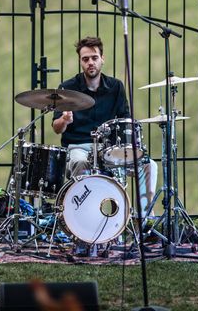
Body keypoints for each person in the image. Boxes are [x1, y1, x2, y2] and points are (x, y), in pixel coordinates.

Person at [52, 37, 158, 250]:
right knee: (80, 163)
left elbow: (125, 119)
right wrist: (64, 120)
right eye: (85, 59)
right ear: (80, 62)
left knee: (149, 165)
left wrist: (125, 146)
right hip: (79, 146)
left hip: (108, 148)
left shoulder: (116, 87)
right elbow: (56, 128)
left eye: (94, 58)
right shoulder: (67, 88)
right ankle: (83, 227)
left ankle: (144, 224)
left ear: (102, 59)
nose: (90, 62)